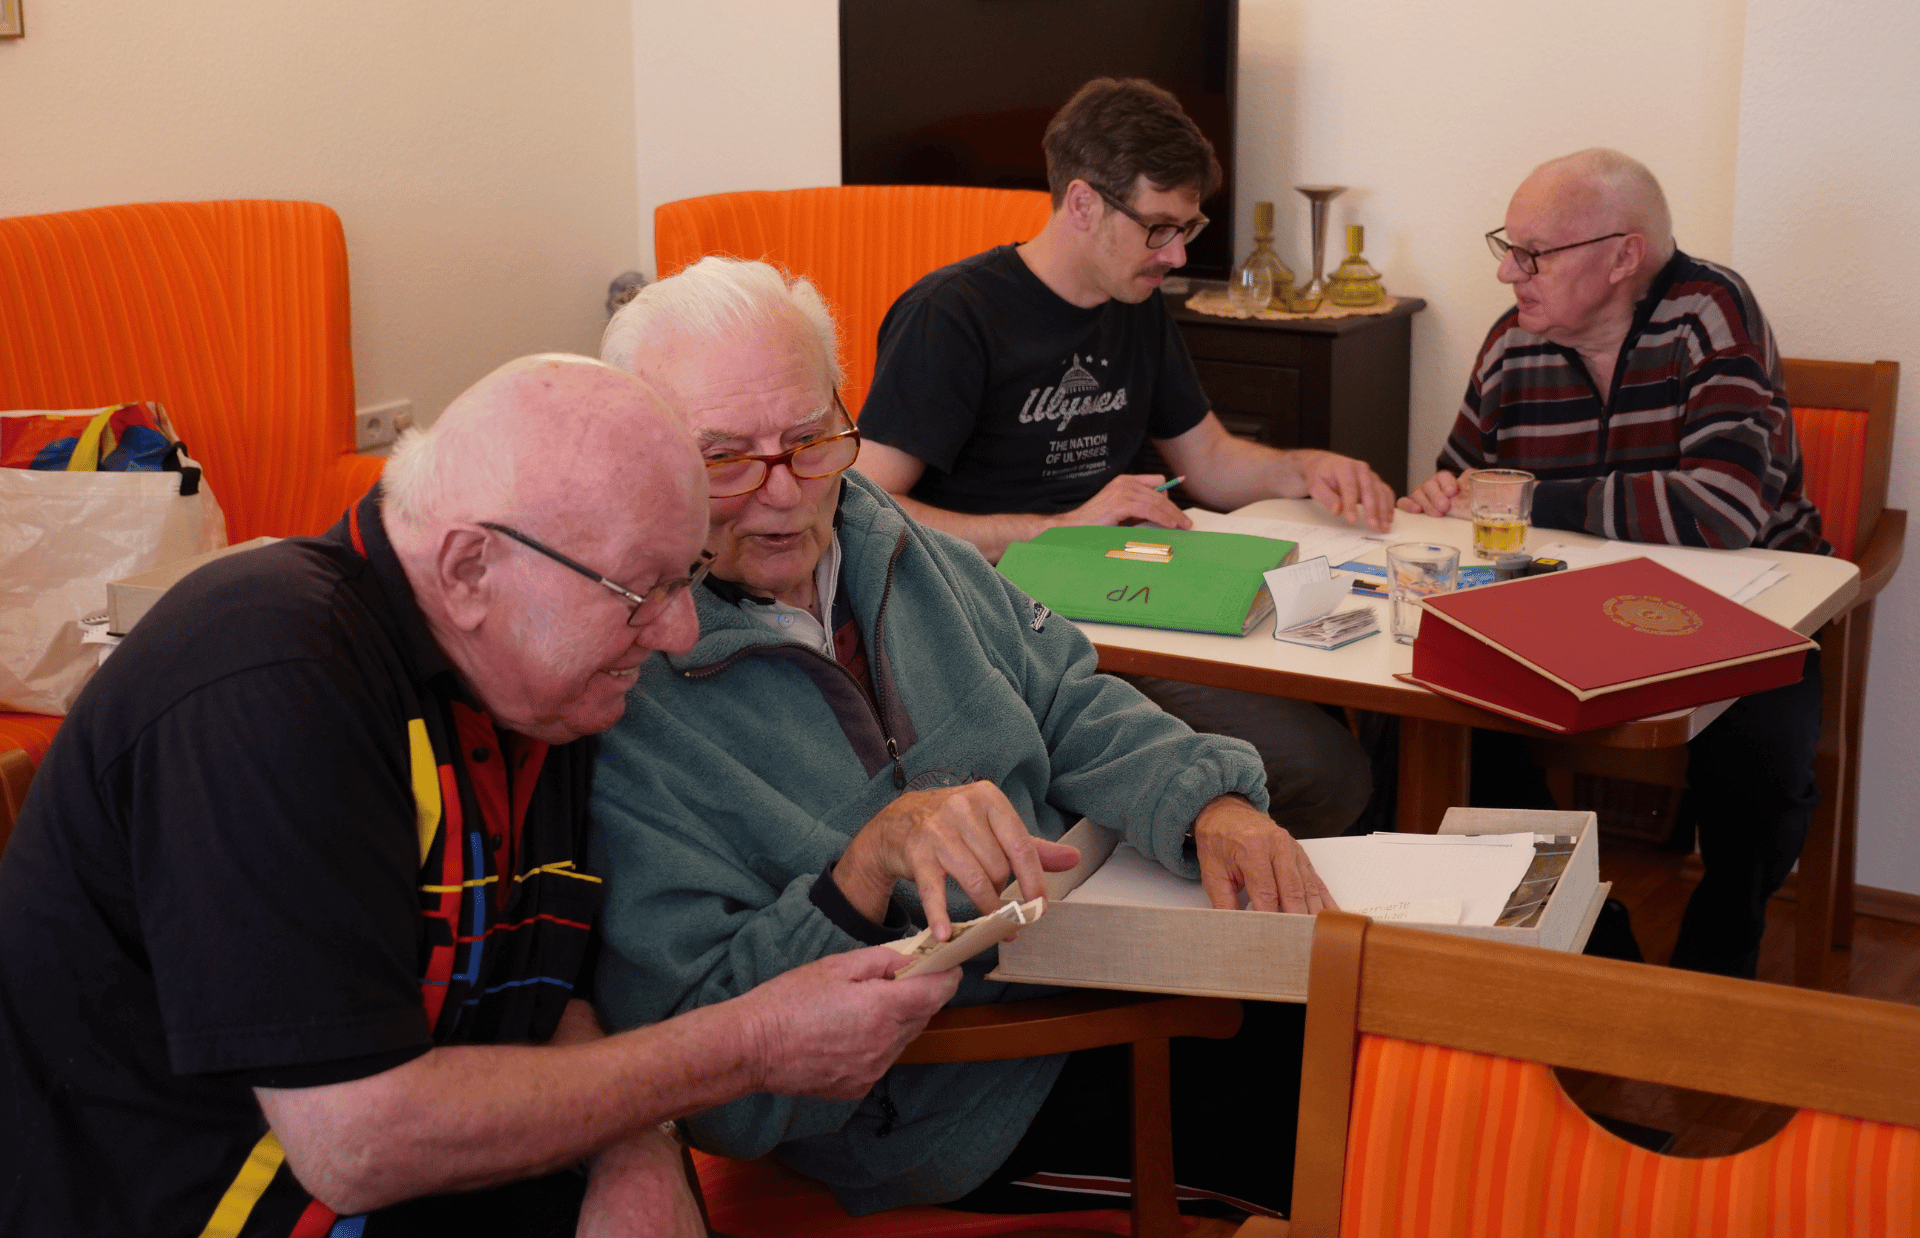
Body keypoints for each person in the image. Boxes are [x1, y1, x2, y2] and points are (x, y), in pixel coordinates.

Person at [0, 355, 960, 1237]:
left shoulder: (535, 680)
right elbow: (357, 1141)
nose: (674, 633)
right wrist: (750, 1045)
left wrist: (635, 1148)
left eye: (687, 581)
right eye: (641, 593)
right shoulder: (269, 679)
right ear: (468, 569)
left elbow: (545, 983)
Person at [594, 256, 1330, 1220]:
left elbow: (1065, 695)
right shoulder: (621, 696)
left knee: (1403, 1018)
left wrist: (1210, 804)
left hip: (1108, 965)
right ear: (648, 462)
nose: (785, 493)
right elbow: (707, 1064)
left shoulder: (882, 530)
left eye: (812, 438)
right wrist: (862, 873)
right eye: (725, 458)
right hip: (958, 1099)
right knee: (1373, 1122)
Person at [853, 76, 1391, 840]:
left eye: (1188, 228)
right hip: (1019, 623)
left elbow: (1208, 460)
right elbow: (869, 508)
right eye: (1158, 228)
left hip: (1138, 596)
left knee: (1362, 697)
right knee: (1323, 772)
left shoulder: (1132, 303)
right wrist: (1061, 529)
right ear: (1082, 204)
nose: (1175, 255)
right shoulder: (954, 316)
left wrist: (1306, 468)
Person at [1400, 148, 1828, 978]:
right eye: (1506, 245)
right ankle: (1596, 941)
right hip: (1566, 616)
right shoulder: (1512, 344)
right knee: (1439, 722)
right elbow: (1460, 491)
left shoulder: (1712, 312)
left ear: (1623, 256)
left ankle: (1716, 958)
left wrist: (1521, 495)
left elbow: (1722, 512)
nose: (1505, 272)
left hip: (1753, 609)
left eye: (1533, 253)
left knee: (1762, 773)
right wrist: (1443, 499)